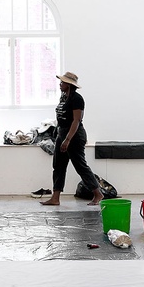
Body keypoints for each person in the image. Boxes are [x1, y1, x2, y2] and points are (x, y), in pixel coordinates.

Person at [41, 71, 102, 207]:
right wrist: (59, 136)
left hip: (74, 135)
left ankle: (98, 193)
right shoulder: (63, 98)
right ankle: (55, 198)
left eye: (62, 82)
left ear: (69, 84)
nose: (60, 84)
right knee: (58, 166)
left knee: (80, 165)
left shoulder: (77, 99)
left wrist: (67, 139)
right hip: (62, 133)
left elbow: (76, 121)